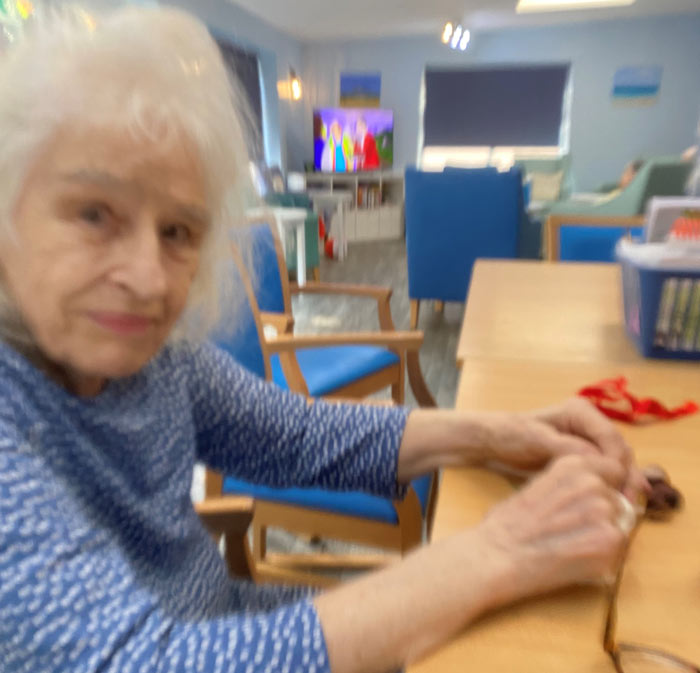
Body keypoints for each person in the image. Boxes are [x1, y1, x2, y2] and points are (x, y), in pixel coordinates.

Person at [0, 6, 648, 673]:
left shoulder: (158, 360)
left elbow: (298, 436)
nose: (146, 278)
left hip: (228, 621)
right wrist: (502, 547)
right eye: (92, 214)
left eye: (177, 232)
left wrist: (497, 432)